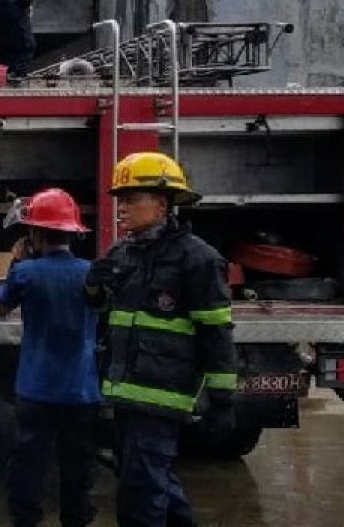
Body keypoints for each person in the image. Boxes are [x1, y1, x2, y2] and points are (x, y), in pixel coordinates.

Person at [85, 152, 237, 527]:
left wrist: (222, 401)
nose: (121, 209)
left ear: (162, 204)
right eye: (120, 200)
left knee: (140, 493)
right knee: (152, 481)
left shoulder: (197, 259)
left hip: (161, 395)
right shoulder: (122, 253)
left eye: (131, 200)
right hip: (123, 392)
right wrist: (92, 286)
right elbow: (105, 314)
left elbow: (216, 332)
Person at [0, 188, 100, 527]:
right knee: (77, 464)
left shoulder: (26, 273)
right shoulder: (91, 272)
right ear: (73, 234)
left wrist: (18, 262)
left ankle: (26, 519)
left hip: (36, 389)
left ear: (35, 234)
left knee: (28, 462)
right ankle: (75, 518)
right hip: (81, 390)